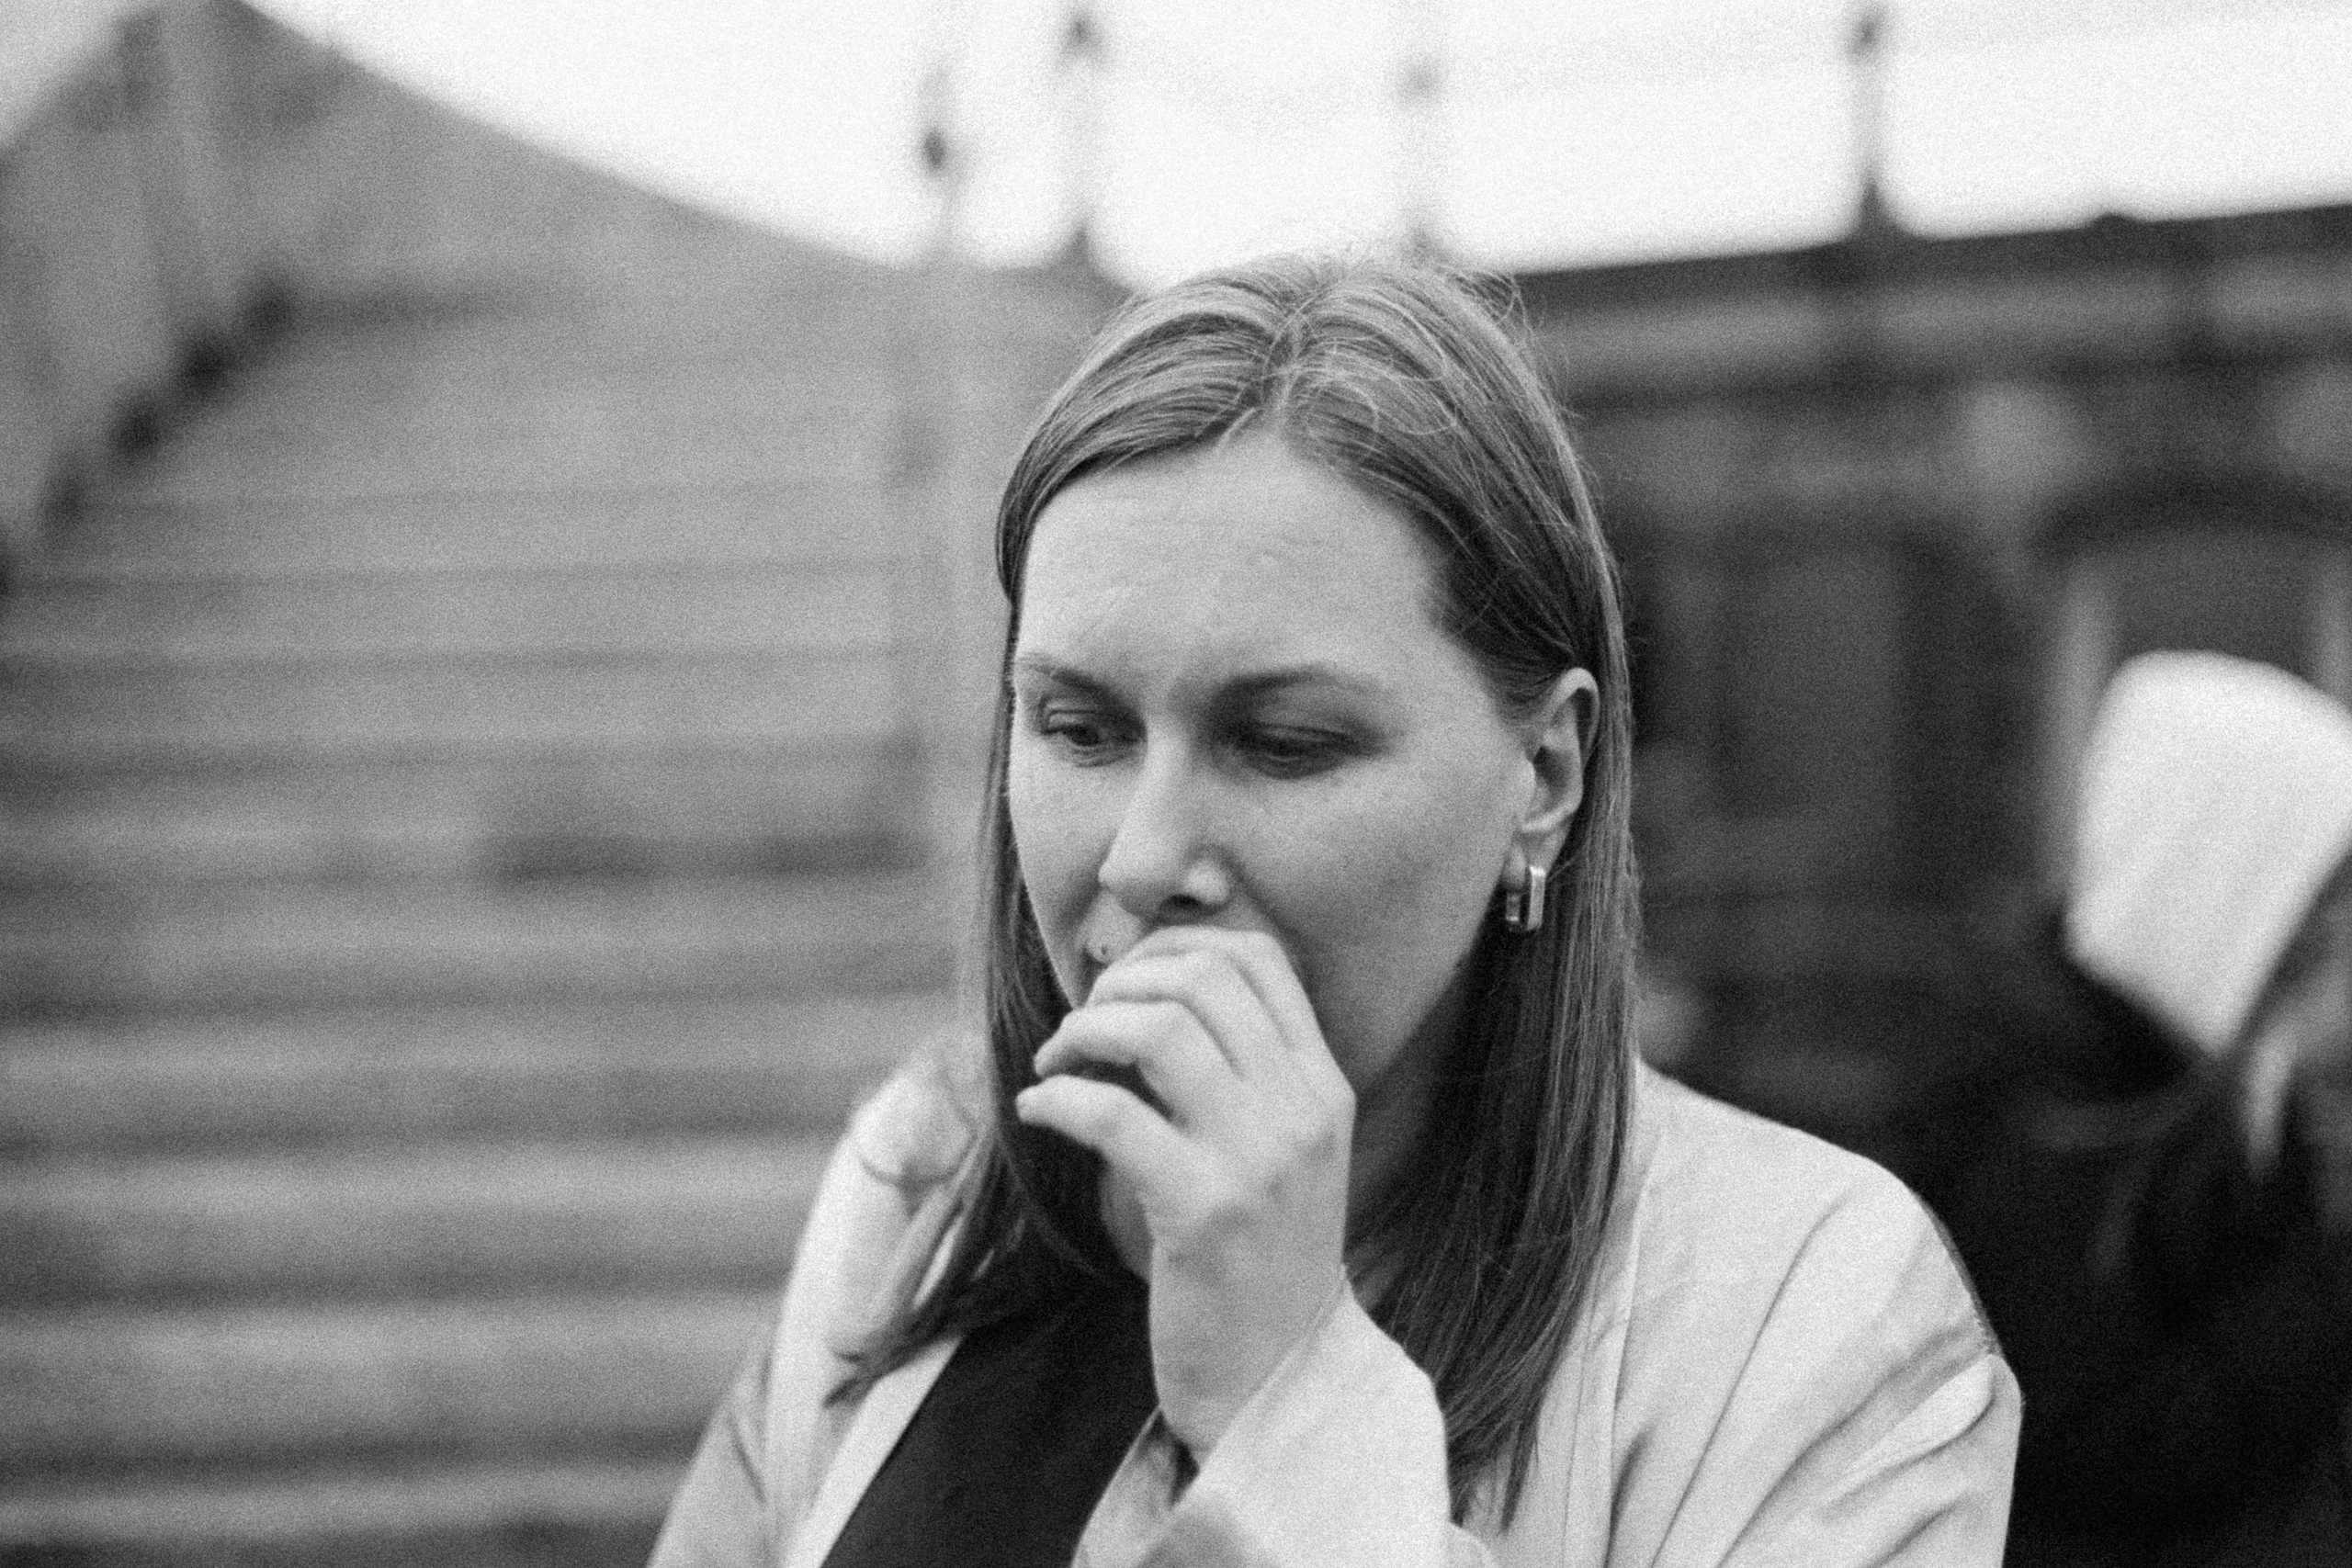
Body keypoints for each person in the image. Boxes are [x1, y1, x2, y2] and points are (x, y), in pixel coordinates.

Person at [650, 257, 2017, 1567]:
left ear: (1542, 775)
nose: (1142, 854)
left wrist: (1293, 1409)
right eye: (1079, 726)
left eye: (1285, 742)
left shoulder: (1813, 1312)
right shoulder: (921, 1176)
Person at [1926, 651, 2352, 1566]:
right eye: (2323, 912)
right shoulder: (2061, 1117)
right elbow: (2100, 1452)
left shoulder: (2191, 1079)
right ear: (2238, 905)